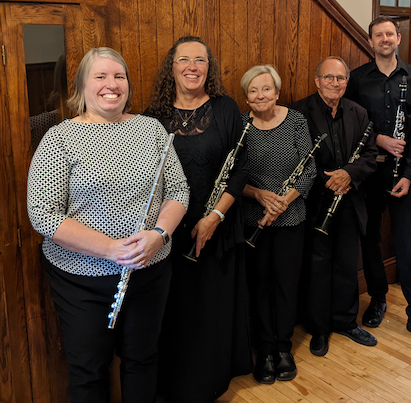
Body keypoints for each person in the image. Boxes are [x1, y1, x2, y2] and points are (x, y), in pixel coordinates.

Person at [27, 47, 189, 403]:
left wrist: (159, 236)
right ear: (82, 85)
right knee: (88, 369)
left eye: (119, 76)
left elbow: (178, 189)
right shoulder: (60, 138)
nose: (111, 85)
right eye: (100, 76)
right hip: (82, 279)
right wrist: (111, 249)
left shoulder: (150, 129)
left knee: (142, 358)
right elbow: (43, 213)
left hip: (150, 270)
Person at [144, 36, 252, 402]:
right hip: (168, 233)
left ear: (210, 67)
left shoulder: (225, 108)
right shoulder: (152, 117)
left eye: (200, 60)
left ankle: (211, 382)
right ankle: (175, 384)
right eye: (184, 59)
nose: (192, 66)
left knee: (211, 308)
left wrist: (215, 217)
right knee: (176, 310)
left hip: (216, 227)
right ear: (171, 67)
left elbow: (240, 169)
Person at [345, 16, 411, 352]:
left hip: (402, 176)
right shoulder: (357, 79)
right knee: (370, 242)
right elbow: (353, 123)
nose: (385, 39)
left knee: (408, 247)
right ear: (370, 41)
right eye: (378, 35)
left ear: (397, 38)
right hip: (370, 173)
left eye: (390, 34)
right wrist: (381, 140)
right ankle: (377, 298)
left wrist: (408, 175)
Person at [290, 56, 378, 356]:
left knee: (346, 262)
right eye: (329, 78)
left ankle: (345, 321)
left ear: (347, 82)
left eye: (340, 79)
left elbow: (370, 154)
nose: (335, 83)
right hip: (316, 201)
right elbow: (297, 157)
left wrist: (348, 175)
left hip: (350, 200)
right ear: (317, 81)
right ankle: (319, 329)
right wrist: (328, 179)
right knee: (318, 266)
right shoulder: (300, 112)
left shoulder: (359, 112)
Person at [240, 65, 316, 384]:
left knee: (286, 284)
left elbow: (309, 169)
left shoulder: (296, 121)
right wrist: (259, 195)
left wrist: (284, 201)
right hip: (252, 218)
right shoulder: (241, 126)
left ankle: (283, 348)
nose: (261, 95)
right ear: (246, 97)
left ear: (277, 91)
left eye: (266, 88)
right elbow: (232, 175)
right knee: (258, 286)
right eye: (254, 90)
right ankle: (264, 350)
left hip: (291, 218)